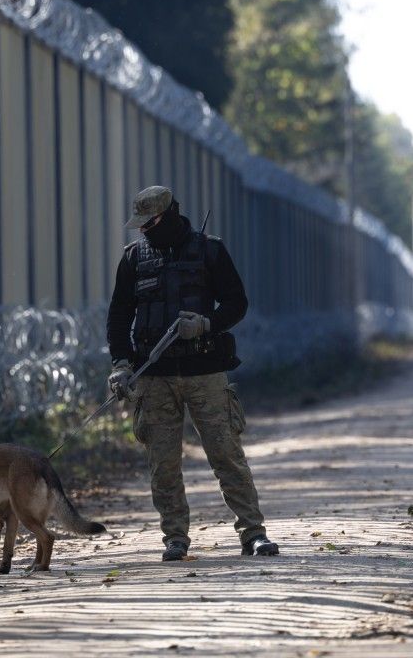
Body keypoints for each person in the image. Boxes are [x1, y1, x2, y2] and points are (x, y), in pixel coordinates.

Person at [106, 185, 278, 561]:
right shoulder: (134, 258)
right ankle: (175, 538)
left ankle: (253, 533)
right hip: (153, 377)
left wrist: (205, 324)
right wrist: (120, 364)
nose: (143, 231)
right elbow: (119, 316)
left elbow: (237, 302)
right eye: (139, 225)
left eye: (149, 223)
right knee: (162, 462)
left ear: (167, 216)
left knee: (226, 454)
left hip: (205, 370)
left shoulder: (209, 251)